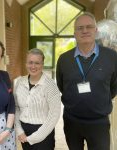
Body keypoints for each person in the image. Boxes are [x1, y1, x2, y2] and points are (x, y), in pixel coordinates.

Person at [56, 12, 117, 150]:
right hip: (72, 121)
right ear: (74, 33)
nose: (84, 31)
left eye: (89, 27)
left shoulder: (112, 57)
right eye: (80, 28)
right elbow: (62, 85)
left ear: (96, 30)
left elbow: (113, 87)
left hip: (99, 122)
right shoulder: (64, 59)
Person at [14, 48, 61, 150]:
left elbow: (55, 113)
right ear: (26, 63)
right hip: (23, 131)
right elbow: (16, 108)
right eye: (30, 62)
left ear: (42, 64)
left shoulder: (50, 85)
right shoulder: (19, 82)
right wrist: (19, 130)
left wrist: (35, 137)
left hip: (43, 133)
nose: (33, 66)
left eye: (37, 63)